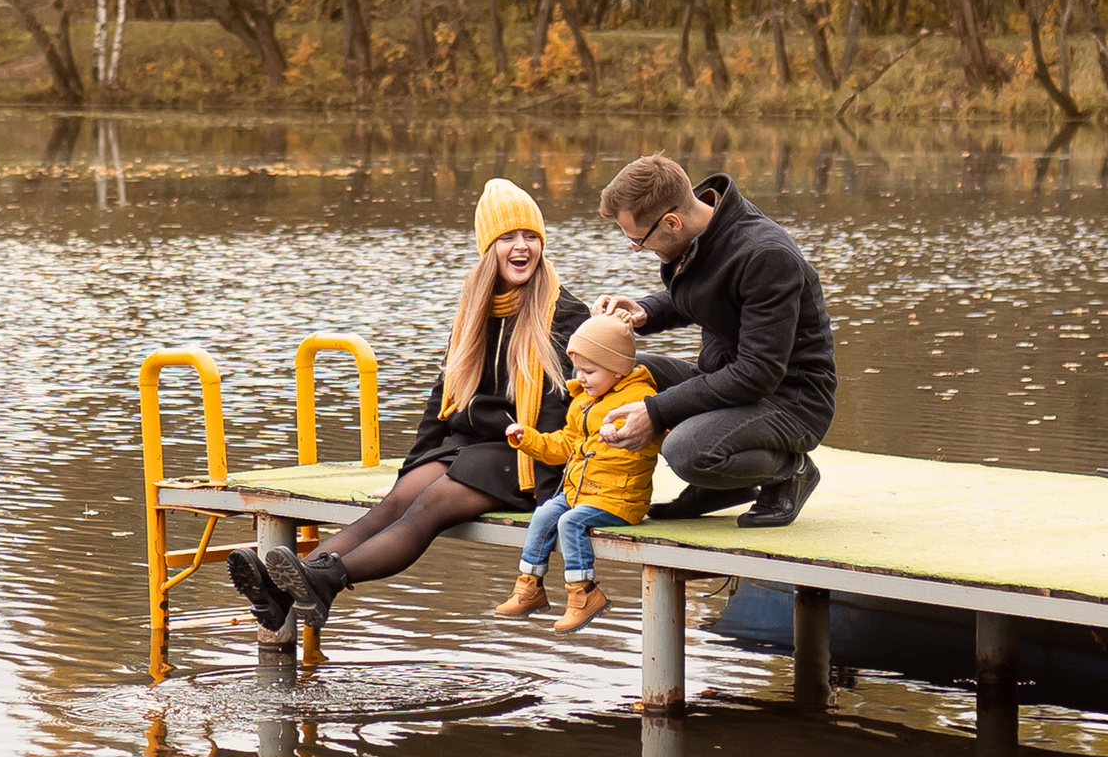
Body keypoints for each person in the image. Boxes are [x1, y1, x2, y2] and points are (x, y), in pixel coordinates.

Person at [228, 178, 589, 633]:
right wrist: (409, 470)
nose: (522, 248)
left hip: (527, 454)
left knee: (427, 506)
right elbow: (442, 398)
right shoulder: (475, 308)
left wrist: (546, 484)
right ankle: (280, 589)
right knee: (394, 502)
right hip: (468, 445)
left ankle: (322, 581)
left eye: (531, 237)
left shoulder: (566, 314)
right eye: (508, 238)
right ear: (488, 247)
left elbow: (569, 409)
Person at [592, 155, 838, 528]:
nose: (637, 250)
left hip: (791, 400)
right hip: (737, 382)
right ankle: (720, 487)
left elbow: (757, 373)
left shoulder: (766, 256)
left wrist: (657, 412)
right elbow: (712, 294)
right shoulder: (704, 230)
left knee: (688, 450)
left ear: (672, 222)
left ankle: (791, 471)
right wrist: (645, 311)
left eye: (638, 240)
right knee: (623, 369)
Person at [496, 313, 660, 632]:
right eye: (578, 370)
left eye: (589, 371)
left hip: (619, 499)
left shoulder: (639, 401)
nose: (581, 378)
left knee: (570, 522)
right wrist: (528, 438)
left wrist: (625, 438)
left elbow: (656, 437)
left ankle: (583, 594)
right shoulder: (583, 402)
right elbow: (566, 444)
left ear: (617, 369)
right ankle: (529, 586)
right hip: (580, 492)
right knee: (544, 515)